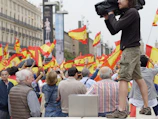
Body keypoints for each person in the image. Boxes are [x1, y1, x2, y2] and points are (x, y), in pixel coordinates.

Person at [104, 0, 150, 118]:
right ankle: (146, 107)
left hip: (129, 49)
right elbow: (114, 30)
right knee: (138, 78)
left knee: (123, 78)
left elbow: (117, 26)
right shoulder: (129, 13)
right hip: (133, 49)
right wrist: (107, 19)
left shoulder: (132, 12)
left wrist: (111, 14)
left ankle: (121, 110)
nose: (118, 1)